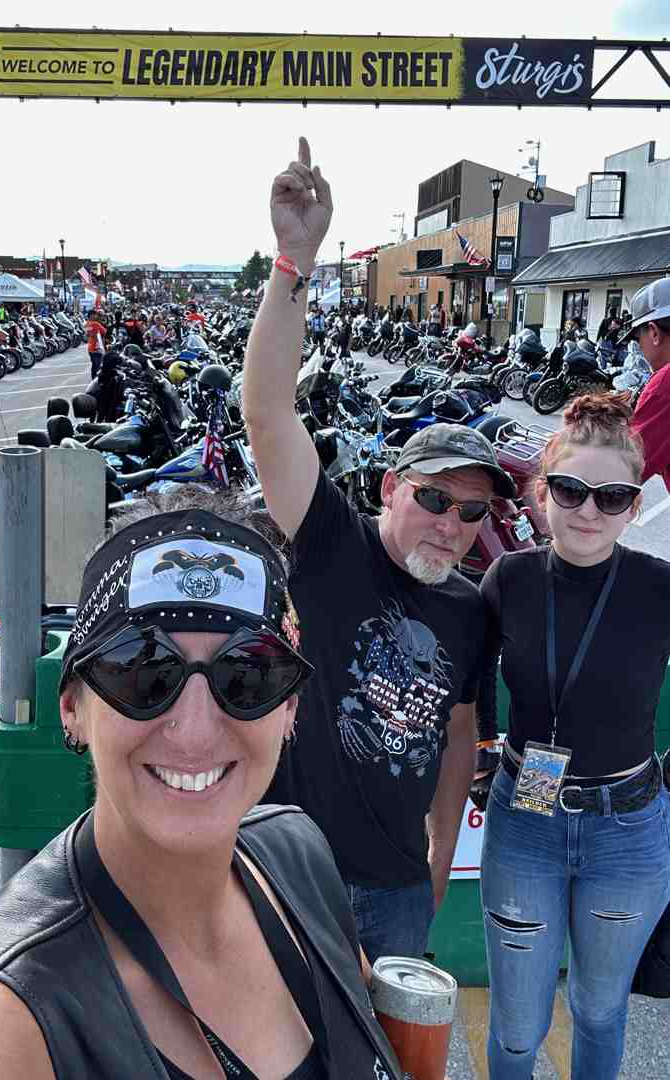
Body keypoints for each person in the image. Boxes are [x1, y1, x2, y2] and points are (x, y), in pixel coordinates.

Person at [0, 491, 401, 1080]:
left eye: (248, 673)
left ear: (289, 708)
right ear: (72, 707)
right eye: (141, 671)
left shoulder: (300, 855)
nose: (195, 731)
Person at [242, 137, 515, 963]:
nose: (451, 524)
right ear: (392, 487)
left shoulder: (469, 607)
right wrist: (293, 261)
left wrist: (441, 854)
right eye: (434, 498)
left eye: (471, 511)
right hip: (287, 869)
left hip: (397, 889)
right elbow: (268, 412)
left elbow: (459, 734)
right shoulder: (334, 542)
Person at [479, 393, 670, 1080]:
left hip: (628, 831)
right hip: (526, 819)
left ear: (634, 505)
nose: (589, 510)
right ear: (542, 491)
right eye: (570, 490)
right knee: (517, 1030)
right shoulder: (510, 577)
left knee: (598, 1010)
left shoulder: (659, 586)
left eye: (612, 497)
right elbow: (472, 676)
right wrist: (484, 750)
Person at [628, 277, 670, 492]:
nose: (640, 348)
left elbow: (626, 468)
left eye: (638, 339)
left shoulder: (665, 383)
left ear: (653, 332)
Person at [85, 311, 109, 380]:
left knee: (94, 366)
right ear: (91, 315)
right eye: (95, 315)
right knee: (99, 366)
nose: (96, 316)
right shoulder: (96, 324)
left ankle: (93, 379)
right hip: (97, 348)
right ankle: (98, 380)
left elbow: (86, 334)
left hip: (90, 347)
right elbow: (104, 331)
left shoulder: (87, 324)